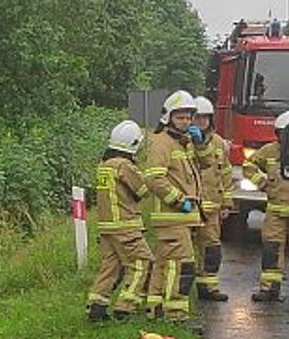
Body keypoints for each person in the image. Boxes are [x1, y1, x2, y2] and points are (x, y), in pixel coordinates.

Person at [140, 90, 206, 324]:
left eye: (189, 117)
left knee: (163, 265)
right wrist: (179, 200)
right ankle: (176, 315)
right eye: (180, 117)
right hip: (173, 217)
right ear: (168, 117)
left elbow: (206, 166)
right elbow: (153, 178)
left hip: (179, 219)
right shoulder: (162, 143)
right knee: (181, 267)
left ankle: (155, 309)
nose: (186, 122)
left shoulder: (183, 143)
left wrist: (199, 144)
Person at [86, 120, 154, 322]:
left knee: (111, 267)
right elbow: (143, 191)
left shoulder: (104, 166)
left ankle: (96, 307)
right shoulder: (124, 166)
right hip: (125, 226)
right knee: (141, 262)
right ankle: (126, 307)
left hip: (107, 227)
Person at [244, 110, 289, 302]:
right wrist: (262, 183)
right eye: (283, 133)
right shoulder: (269, 151)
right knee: (271, 250)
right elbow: (248, 166)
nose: (287, 137)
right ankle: (269, 289)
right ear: (278, 134)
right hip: (275, 211)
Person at [190, 96, 233, 302]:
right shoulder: (184, 141)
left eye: (205, 118)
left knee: (211, 250)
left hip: (212, 209)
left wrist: (226, 203)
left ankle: (208, 288)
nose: (202, 121)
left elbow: (226, 174)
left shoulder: (219, 143)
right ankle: (180, 291)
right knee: (185, 252)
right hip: (189, 207)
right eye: (197, 117)